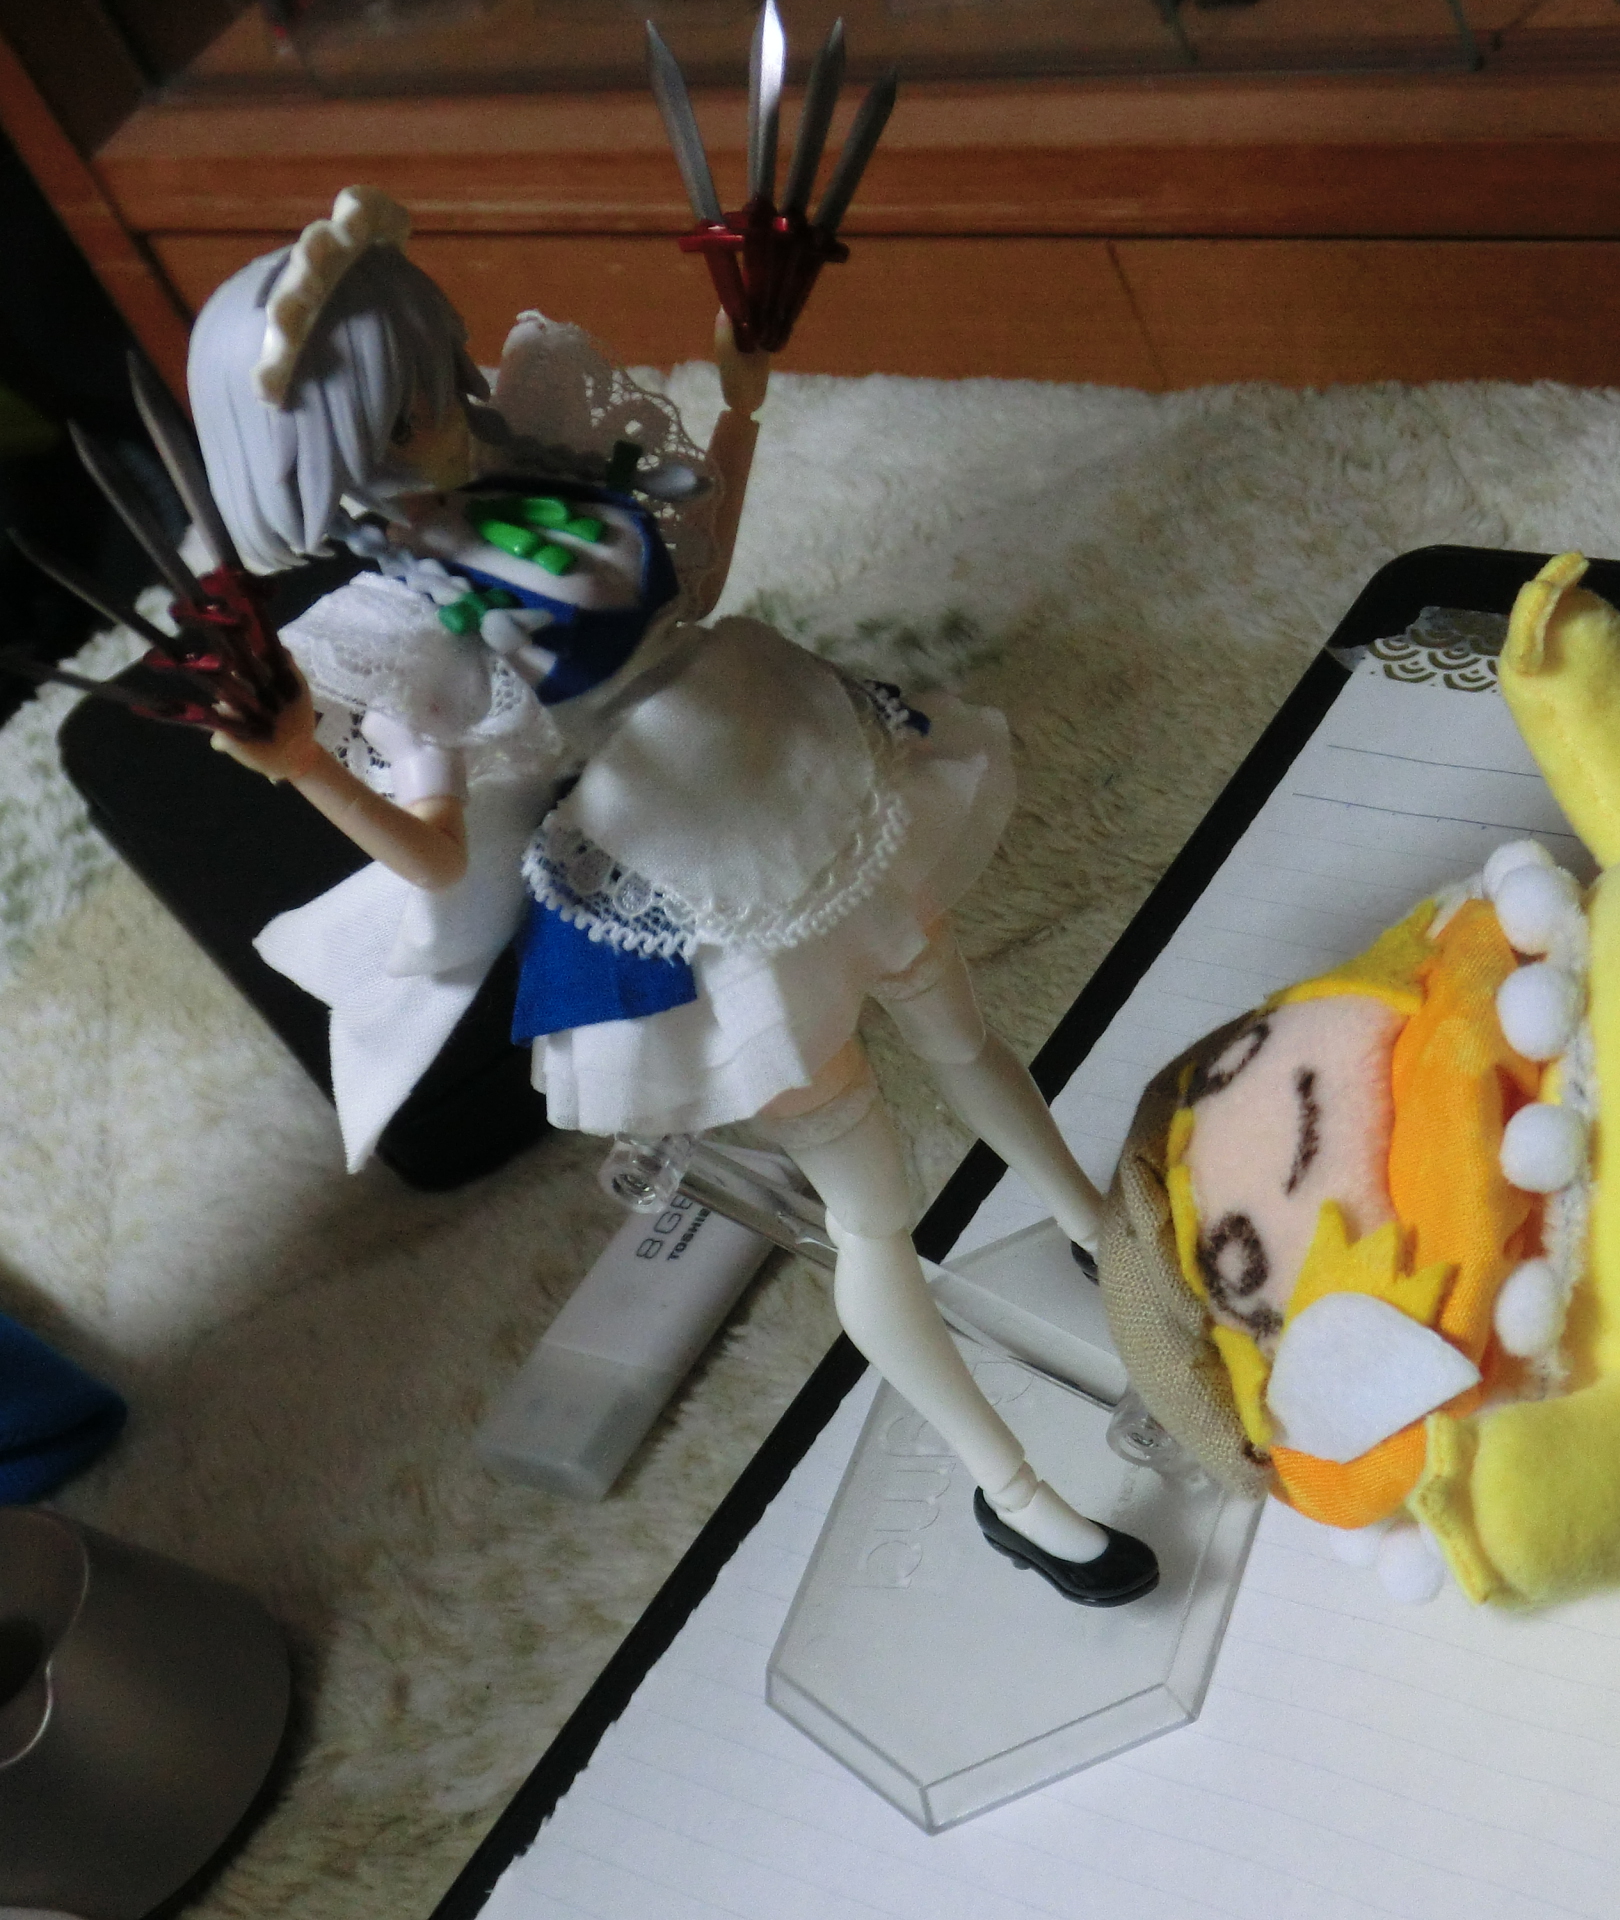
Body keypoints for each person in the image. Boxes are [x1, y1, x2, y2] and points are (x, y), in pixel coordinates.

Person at [187, 186, 1155, 1604]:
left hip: (788, 751)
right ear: (318, 466)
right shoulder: (407, 637)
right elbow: (441, 860)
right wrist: (302, 768)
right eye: (396, 422)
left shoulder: (543, 465)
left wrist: (740, 391)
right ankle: (1013, 1490)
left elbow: (691, 575)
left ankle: (1096, 1231)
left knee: (958, 1024)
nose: (439, 421)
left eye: (435, 378)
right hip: (692, 872)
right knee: (871, 1205)